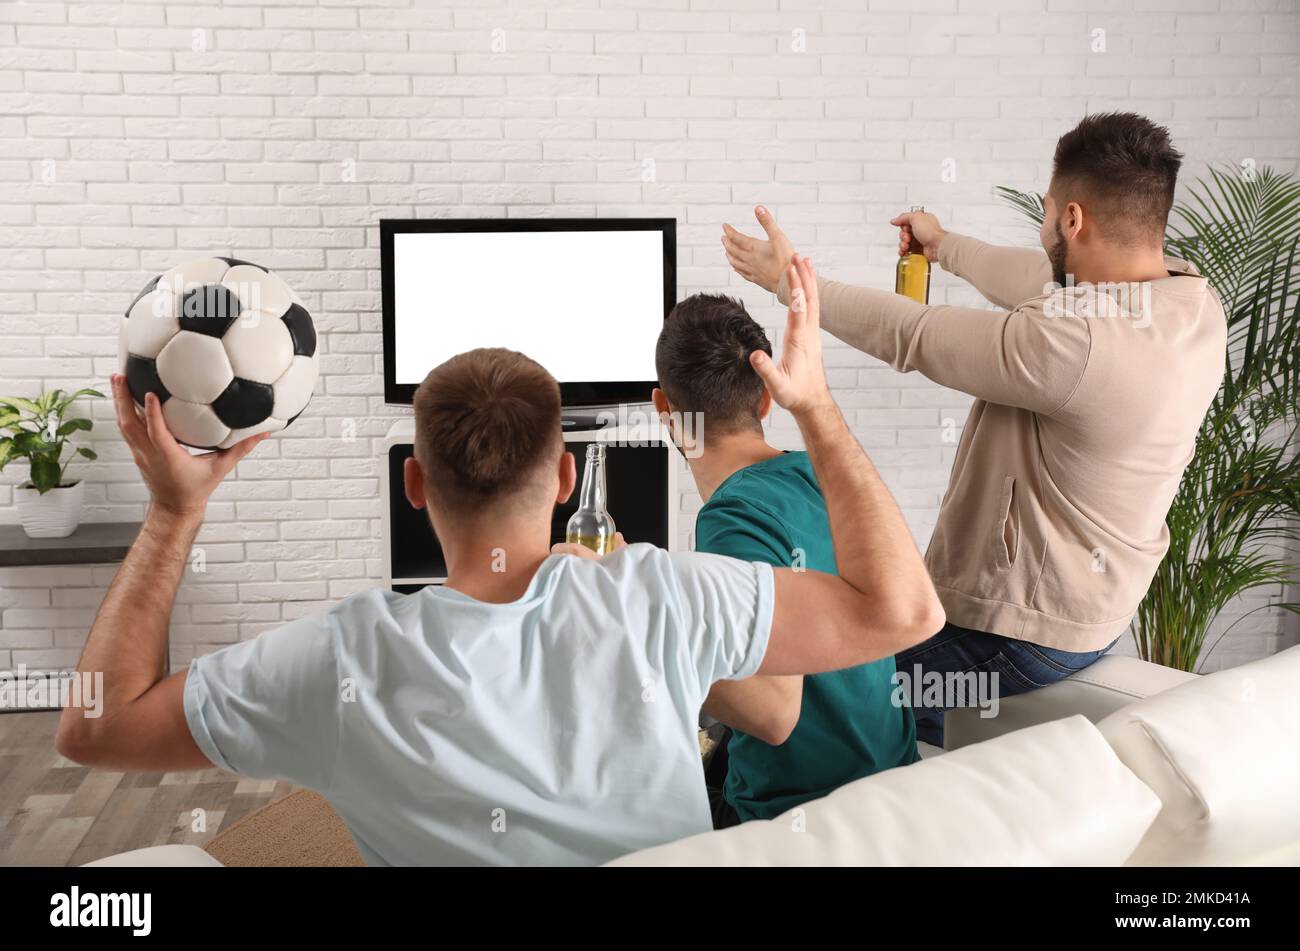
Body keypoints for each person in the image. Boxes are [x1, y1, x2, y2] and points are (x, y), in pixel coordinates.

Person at [56, 256, 944, 866]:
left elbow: (95, 728)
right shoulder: (666, 594)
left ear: (413, 483)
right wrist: (817, 406)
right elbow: (905, 612)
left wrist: (176, 510)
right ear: (566, 476)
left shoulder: (340, 659)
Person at [722, 112, 1226, 746]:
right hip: (1094, 612)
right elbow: (1039, 277)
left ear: (1072, 219)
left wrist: (787, 281)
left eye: (1047, 214)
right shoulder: (1190, 302)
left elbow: (914, 334)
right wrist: (944, 246)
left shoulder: (1076, 344)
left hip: (1018, 635)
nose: (1043, 231)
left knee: (816, 699)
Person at [651, 293, 919, 826]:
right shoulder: (827, 473)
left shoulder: (732, 516)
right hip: (896, 780)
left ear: (664, 408)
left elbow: (774, 713)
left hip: (799, 818)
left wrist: (641, 630)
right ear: (767, 400)